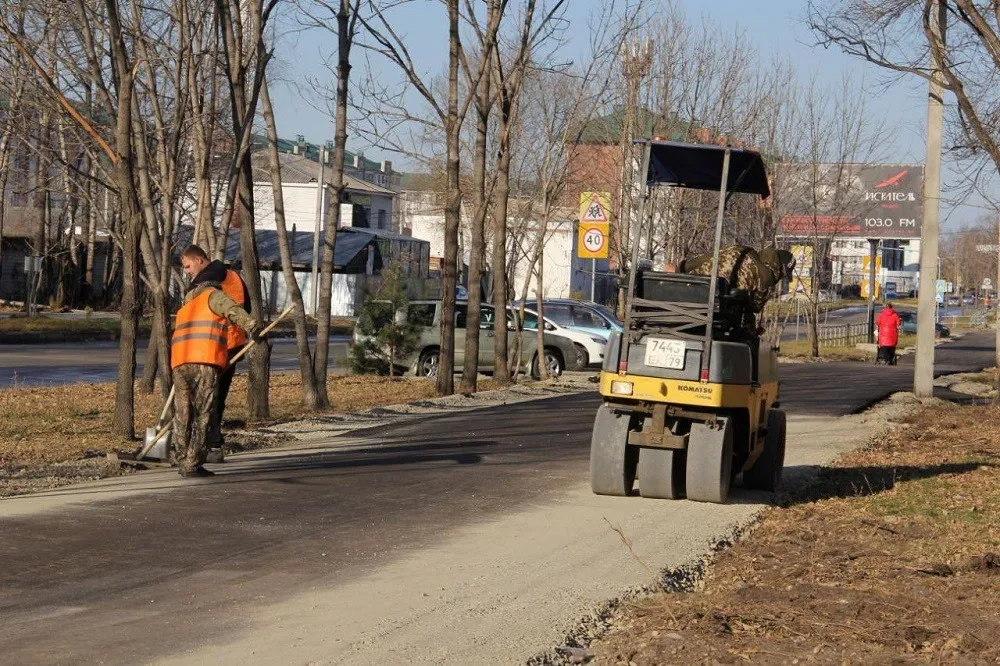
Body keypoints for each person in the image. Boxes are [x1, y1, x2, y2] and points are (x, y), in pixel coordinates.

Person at [172, 245, 258, 477]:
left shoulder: (190, 300)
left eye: (189, 267)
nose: (188, 272)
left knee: (183, 412)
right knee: (204, 411)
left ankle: (184, 457)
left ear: (200, 262)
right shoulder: (214, 294)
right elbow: (237, 312)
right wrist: (254, 327)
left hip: (181, 360)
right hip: (207, 357)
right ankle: (194, 461)